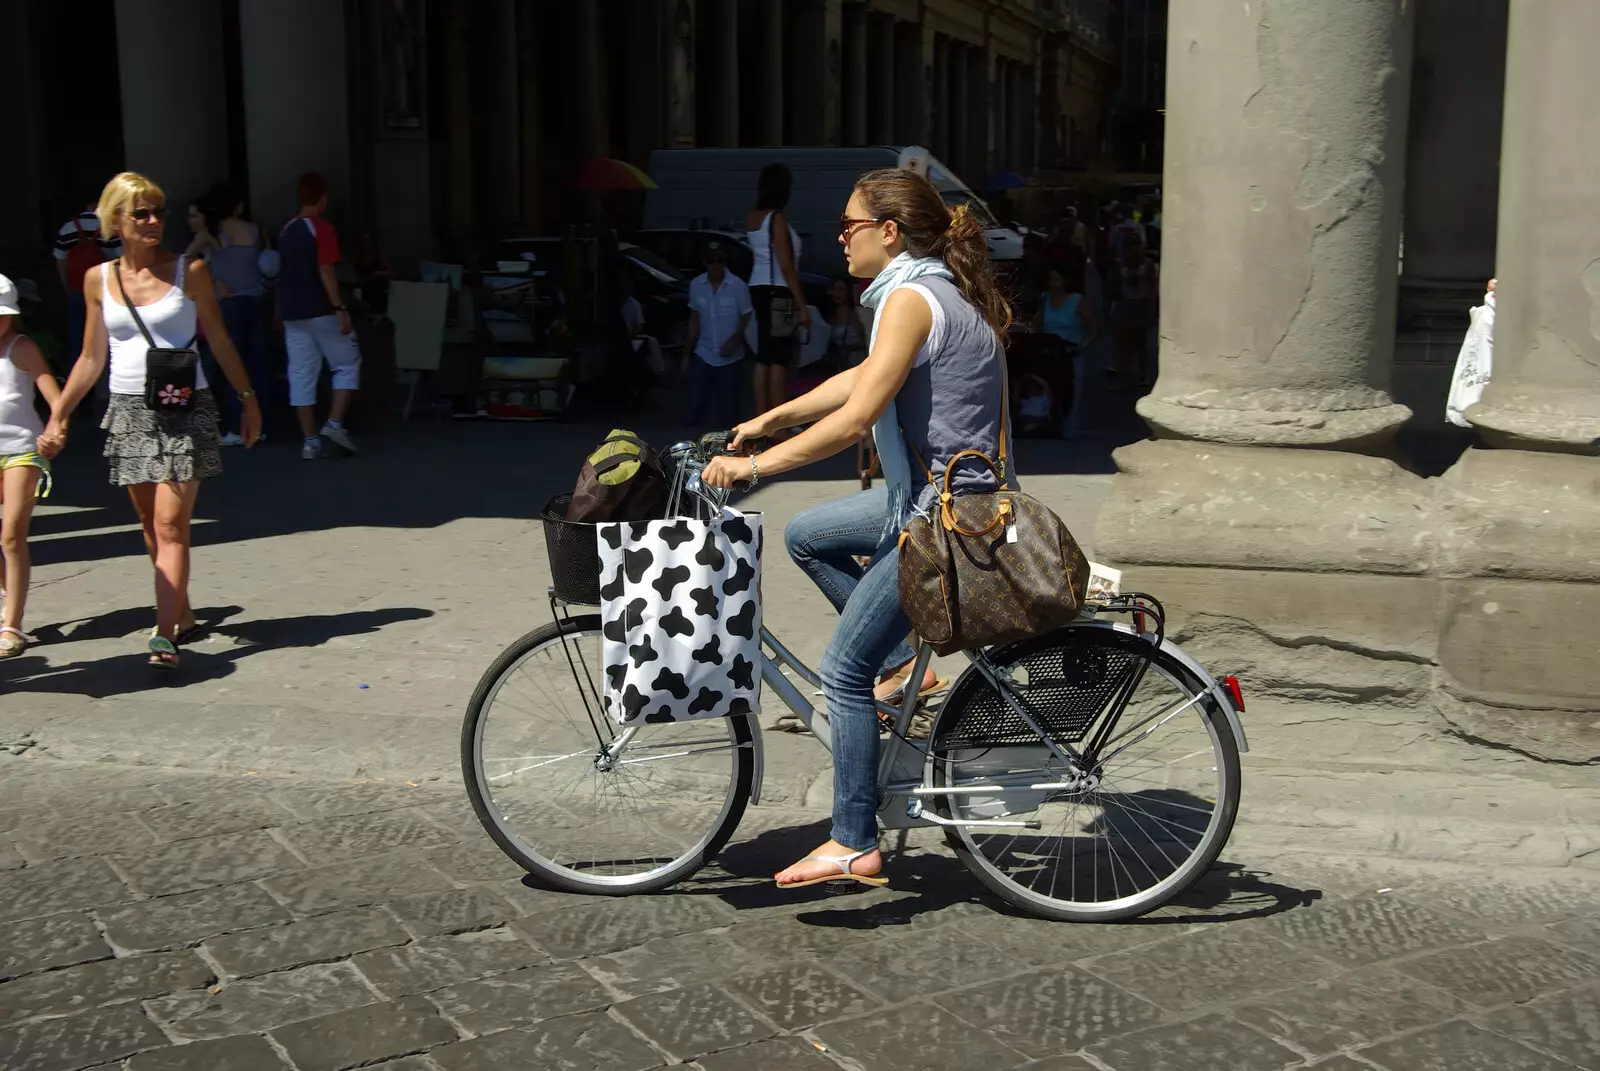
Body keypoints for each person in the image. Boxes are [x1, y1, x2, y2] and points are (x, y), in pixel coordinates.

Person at [702, 168, 1012, 888]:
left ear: (889, 232)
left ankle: (851, 836)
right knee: (808, 533)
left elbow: (856, 415)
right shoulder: (931, 291)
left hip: (942, 517)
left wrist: (755, 470)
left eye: (849, 225)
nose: (840, 238)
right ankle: (903, 661)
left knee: (841, 670)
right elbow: (860, 378)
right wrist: (764, 421)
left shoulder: (909, 298)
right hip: (940, 498)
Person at [37, 172, 262, 670]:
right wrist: (58, 415)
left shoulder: (190, 271)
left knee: (169, 522)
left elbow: (220, 341)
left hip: (186, 408)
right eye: (141, 213)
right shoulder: (99, 278)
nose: (154, 220)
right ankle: (179, 612)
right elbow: (91, 357)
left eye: (158, 210)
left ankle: (164, 636)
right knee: (148, 522)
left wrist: (248, 400)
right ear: (115, 220)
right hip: (129, 410)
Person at [277, 171, 361, 460]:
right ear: (322, 197)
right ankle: (335, 424)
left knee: (300, 374)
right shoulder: (321, 228)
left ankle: (310, 441)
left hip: (293, 312)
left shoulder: (287, 229)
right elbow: (326, 269)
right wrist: (339, 307)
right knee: (347, 363)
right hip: (321, 309)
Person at [0, 275, 62, 659]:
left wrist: (58, 429)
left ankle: (11, 623)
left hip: (22, 450)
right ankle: (10, 594)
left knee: (10, 536)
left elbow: (55, 398)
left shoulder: (21, 348)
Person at [205, 185, 272, 446]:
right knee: (258, 365)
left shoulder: (213, 233)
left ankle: (235, 427)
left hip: (229, 303)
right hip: (255, 300)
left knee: (232, 367)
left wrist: (213, 283)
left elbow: (186, 260)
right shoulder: (255, 231)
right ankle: (261, 426)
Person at [745, 163, 811, 419]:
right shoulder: (777, 218)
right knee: (780, 357)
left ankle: (761, 415)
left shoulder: (753, 217)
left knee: (764, 355)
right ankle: (777, 420)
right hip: (779, 291)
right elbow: (786, 263)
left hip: (758, 286)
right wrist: (801, 304)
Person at [53, 200, 121, 407]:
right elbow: (121, 259)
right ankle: (103, 396)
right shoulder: (109, 228)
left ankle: (78, 399)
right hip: (105, 293)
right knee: (104, 344)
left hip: (76, 292)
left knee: (77, 344)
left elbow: (59, 258)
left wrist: (68, 286)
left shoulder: (68, 228)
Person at [682, 242, 752, 429]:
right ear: (705, 263)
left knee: (729, 408)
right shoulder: (696, 285)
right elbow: (694, 319)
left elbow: (747, 316)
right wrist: (687, 354)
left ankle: (730, 447)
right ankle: (691, 445)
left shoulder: (738, 286)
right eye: (710, 261)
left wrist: (735, 340)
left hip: (731, 357)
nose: (715, 265)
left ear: (725, 262)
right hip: (703, 352)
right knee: (695, 404)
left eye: (719, 260)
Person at [1032, 262, 1102, 435]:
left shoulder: (1077, 300)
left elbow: (1095, 326)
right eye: (1051, 280)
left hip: (1071, 353)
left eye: (1057, 279)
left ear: (1065, 281)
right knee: (1048, 390)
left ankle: (1068, 429)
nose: (1054, 283)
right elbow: (1037, 324)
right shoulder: (1045, 298)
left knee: (1072, 391)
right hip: (1049, 352)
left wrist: (1083, 345)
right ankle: (1048, 425)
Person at [1110, 236, 1158, 390]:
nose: (1135, 250)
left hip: (1141, 303)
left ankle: (1143, 374)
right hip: (1126, 303)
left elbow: (1152, 287)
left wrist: (1153, 307)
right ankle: (1123, 377)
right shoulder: (1120, 263)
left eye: (1137, 247)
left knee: (1140, 342)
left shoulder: (1147, 264)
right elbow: (1116, 285)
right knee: (1123, 343)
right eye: (1132, 247)